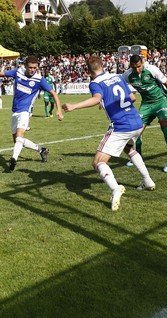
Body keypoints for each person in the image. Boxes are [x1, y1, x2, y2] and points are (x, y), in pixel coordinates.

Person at [62, 55, 155, 211]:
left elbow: (96, 99)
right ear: (103, 65)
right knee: (130, 149)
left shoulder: (95, 83)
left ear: (88, 70)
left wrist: (74, 106)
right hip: (137, 122)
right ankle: (148, 181)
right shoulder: (117, 77)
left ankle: (115, 188)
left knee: (98, 162)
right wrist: (110, 102)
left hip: (121, 126)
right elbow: (132, 98)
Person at [0, 56, 63, 172]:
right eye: (30, 67)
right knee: (18, 141)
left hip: (26, 111)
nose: (32, 70)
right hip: (14, 111)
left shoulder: (39, 80)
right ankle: (41, 150)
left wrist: (58, 110)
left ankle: (13, 160)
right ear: (25, 66)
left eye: (35, 67)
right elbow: (1, 74)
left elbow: (53, 93)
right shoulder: (18, 72)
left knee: (19, 136)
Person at [122, 54, 167, 172]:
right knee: (137, 131)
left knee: (164, 125)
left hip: (160, 101)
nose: (137, 69)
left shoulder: (152, 70)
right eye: (134, 67)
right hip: (146, 104)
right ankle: (138, 157)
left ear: (142, 62)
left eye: (138, 66)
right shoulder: (128, 75)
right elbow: (118, 84)